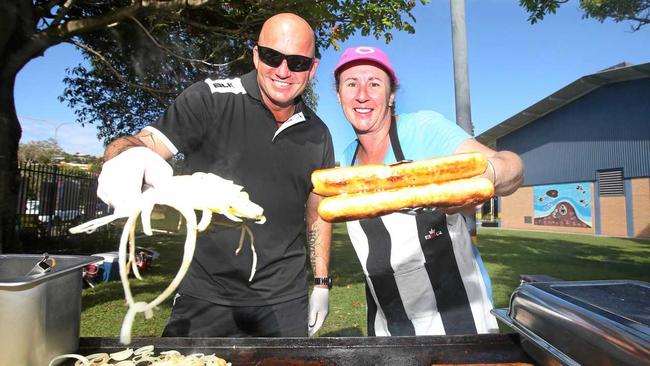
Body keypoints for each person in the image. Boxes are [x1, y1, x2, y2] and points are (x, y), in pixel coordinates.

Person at [96, 13, 334, 337]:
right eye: (271, 56)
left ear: (313, 67)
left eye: (297, 62)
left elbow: (317, 214)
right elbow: (146, 142)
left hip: (283, 300)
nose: (282, 71)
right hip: (204, 293)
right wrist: (125, 158)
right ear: (255, 54)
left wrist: (321, 282)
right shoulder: (210, 98)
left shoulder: (319, 133)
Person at [332, 46, 524, 336]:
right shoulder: (346, 164)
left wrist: (490, 176)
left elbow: (511, 166)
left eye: (374, 83)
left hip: (457, 316)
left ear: (391, 95)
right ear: (338, 95)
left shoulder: (423, 130)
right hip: (388, 323)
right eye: (351, 84)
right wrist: (321, 282)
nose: (362, 94)